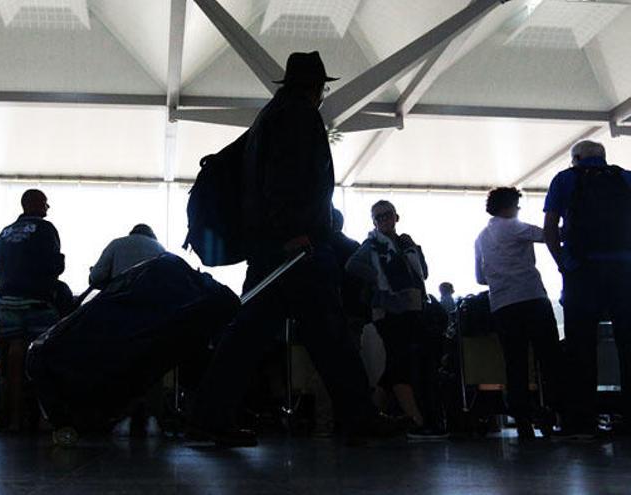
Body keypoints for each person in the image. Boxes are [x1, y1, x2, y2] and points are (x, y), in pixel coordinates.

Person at [189, 52, 394, 447]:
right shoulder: (297, 115)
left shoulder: (271, 115)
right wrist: (293, 233)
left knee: (254, 336)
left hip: (273, 247)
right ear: (317, 87)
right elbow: (288, 179)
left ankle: (208, 417)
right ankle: (360, 418)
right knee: (327, 333)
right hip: (293, 249)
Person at [543, 140, 631, 439]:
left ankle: (582, 420)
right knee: (627, 344)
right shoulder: (625, 177)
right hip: (623, 273)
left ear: (576, 159)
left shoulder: (565, 179)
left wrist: (563, 264)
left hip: (583, 273)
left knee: (581, 347)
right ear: (603, 158)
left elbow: (550, 228)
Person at [346, 200, 447, 440]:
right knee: (398, 364)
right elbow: (352, 266)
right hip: (389, 312)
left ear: (396, 216)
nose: (383, 220)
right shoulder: (372, 245)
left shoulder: (405, 244)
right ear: (373, 221)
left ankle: (367, 419)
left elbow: (422, 273)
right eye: (378, 217)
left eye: (386, 215)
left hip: (412, 309)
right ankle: (417, 422)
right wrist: (381, 280)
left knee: (393, 368)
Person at [475, 187, 562, 439]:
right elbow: (550, 235)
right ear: (510, 206)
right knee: (548, 358)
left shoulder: (481, 238)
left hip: (502, 305)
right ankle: (554, 413)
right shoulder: (514, 226)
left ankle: (523, 420)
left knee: (515, 364)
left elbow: (480, 278)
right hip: (531, 298)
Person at [0, 189, 65, 432]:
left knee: (14, 353)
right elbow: (55, 264)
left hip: (9, 300)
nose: (48, 207)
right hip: (38, 300)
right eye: (45, 202)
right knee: (44, 356)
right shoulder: (45, 229)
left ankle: (13, 420)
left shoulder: (5, 232)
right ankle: (45, 420)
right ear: (32, 203)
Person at [89, 224, 165, 289]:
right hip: (151, 300)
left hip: (119, 299)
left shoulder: (117, 243)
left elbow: (96, 276)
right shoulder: (161, 249)